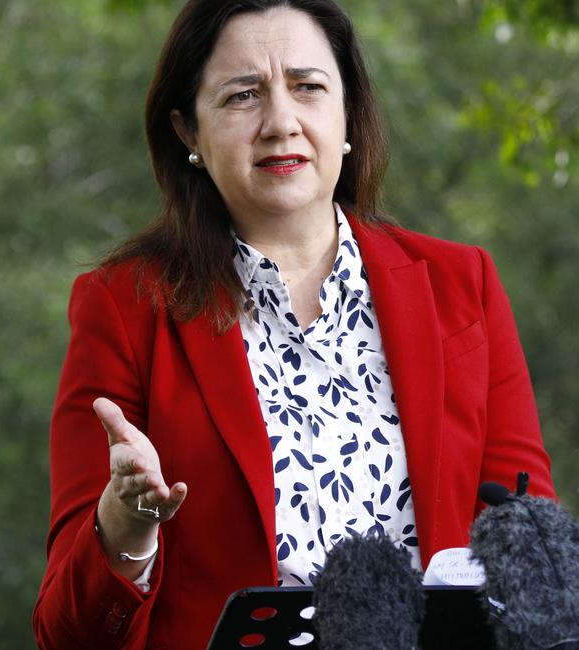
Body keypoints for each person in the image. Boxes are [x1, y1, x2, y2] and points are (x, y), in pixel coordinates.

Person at [33, 0, 556, 648]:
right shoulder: (125, 307)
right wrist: (125, 527)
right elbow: (66, 633)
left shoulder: (461, 287)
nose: (281, 122)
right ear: (188, 131)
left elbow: (529, 551)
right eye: (241, 96)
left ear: (347, 115)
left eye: (308, 87)